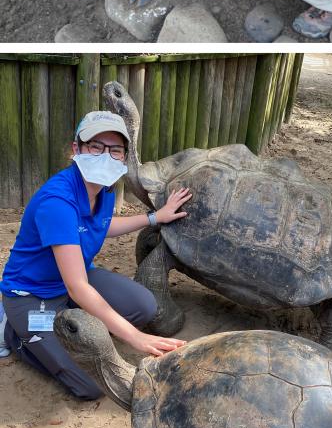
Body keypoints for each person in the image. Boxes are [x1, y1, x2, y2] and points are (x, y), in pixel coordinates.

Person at [0, 110, 191, 399]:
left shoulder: (104, 190)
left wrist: (154, 218)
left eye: (115, 150)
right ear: (76, 149)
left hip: (73, 280)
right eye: (96, 147)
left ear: (124, 156)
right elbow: (78, 286)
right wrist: (135, 337)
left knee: (144, 306)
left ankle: (66, 323)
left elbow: (102, 225)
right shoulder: (58, 201)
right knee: (92, 385)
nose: (105, 156)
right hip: (33, 294)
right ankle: (12, 331)